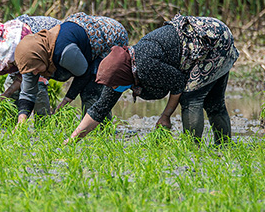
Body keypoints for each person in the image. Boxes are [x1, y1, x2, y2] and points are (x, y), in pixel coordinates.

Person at [66, 13, 239, 144]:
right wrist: (72, 140)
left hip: (212, 40)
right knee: (214, 103)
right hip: (209, 36)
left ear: (125, 75)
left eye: (117, 84)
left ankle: (192, 151)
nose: (116, 88)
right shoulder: (124, 67)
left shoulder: (145, 65)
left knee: (192, 97)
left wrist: (165, 116)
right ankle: (224, 149)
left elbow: (178, 82)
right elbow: (99, 109)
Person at [14, 12, 128, 124]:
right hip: (81, 45)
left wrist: (66, 101)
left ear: (40, 58)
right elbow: (28, 93)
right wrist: (21, 123)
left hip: (109, 36)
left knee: (91, 89)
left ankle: (101, 131)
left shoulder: (64, 51)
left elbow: (84, 74)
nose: (35, 72)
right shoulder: (31, 61)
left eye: (35, 68)